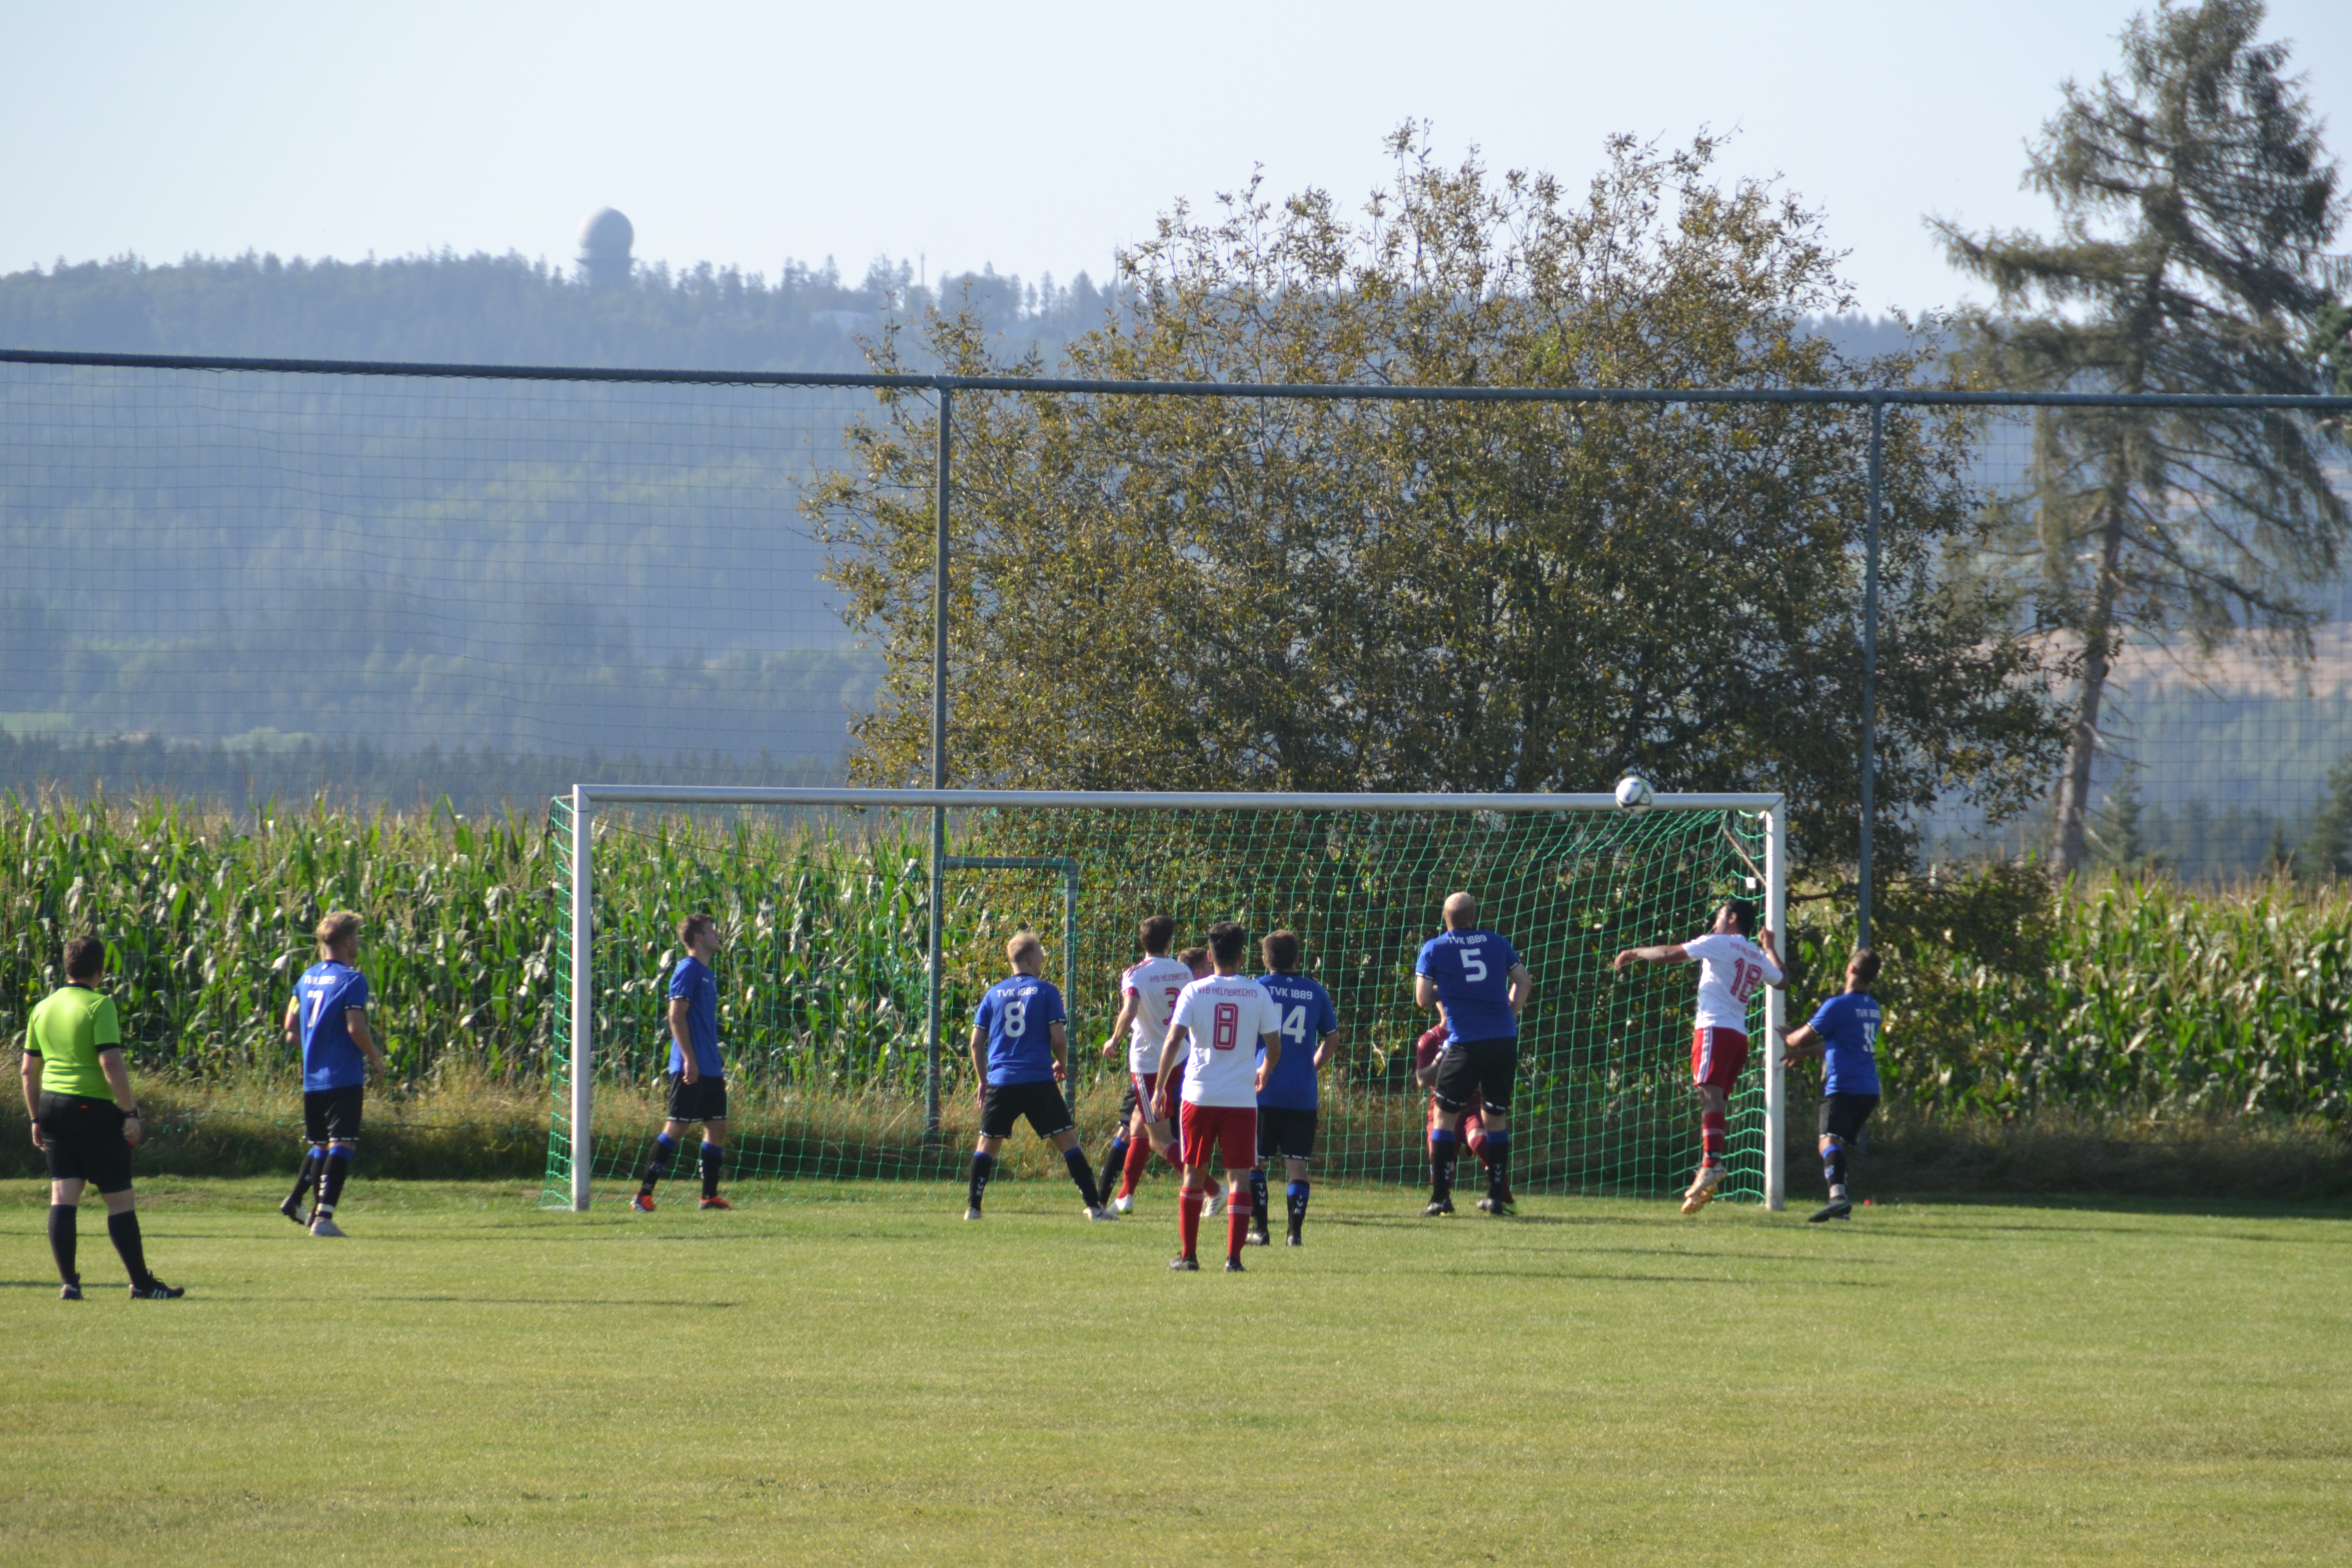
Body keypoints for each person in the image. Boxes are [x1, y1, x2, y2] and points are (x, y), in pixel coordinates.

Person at [23, 935, 182, 1299]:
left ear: (66, 966)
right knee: (120, 1199)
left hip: (52, 1105)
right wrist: (130, 1112)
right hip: (90, 1107)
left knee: (63, 1194)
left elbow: (28, 1070)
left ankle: (70, 1283)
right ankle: (142, 1284)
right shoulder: (99, 1006)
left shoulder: (43, 1007)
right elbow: (109, 1061)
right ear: (101, 969)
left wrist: (35, 1119)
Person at [1613, 899, 1787, 1215]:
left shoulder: (1719, 943)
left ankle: (1711, 1164)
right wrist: (1771, 947)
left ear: (1732, 918)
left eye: (1718, 917)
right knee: (1714, 1094)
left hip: (1714, 1029)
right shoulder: (1756, 954)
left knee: (1709, 1094)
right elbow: (1783, 980)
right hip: (1738, 1036)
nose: (1713, 924)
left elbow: (1670, 955)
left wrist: (1635, 952)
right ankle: (1710, 1165)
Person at [1155, 920, 1282, 1271]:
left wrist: (1160, 1087)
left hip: (1198, 1094)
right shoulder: (1257, 992)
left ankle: (1189, 1255)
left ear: (1209, 956)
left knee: (1194, 1174)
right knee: (1239, 1176)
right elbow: (1274, 1046)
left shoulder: (1195, 992)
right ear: (1242, 957)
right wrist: (1265, 1070)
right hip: (1240, 1099)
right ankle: (1234, 1260)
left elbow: (1173, 1041)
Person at [965, 932, 1112, 1222]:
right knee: (1068, 1143)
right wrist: (1061, 1063)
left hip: (1002, 1081)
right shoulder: (1046, 991)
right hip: (1037, 1080)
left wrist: (983, 1080)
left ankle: (974, 1209)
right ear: (1031, 959)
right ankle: (1094, 1208)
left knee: (987, 1146)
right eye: (1042, 955)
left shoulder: (993, 994)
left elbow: (975, 1043)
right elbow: (1058, 1038)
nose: (1044, 959)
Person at [1413, 893, 1534, 1217]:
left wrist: (1453, 988)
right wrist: (1510, 1011)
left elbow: (1423, 999)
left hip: (1466, 1041)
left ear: (1445, 918)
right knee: (1495, 1117)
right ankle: (1495, 1196)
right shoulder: (1497, 942)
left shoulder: (1435, 948)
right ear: (1473, 916)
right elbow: (1524, 981)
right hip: (1503, 1040)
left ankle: (1440, 1197)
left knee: (1443, 1117)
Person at [281, 910, 388, 1237]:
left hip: (313, 1079)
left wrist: (316, 1049)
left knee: (321, 1145)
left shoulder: (307, 978)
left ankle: (297, 1201)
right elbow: (356, 1028)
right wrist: (375, 1058)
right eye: (356, 937)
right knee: (343, 1144)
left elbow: (290, 1029)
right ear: (345, 941)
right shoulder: (351, 980)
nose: (358, 944)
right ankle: (323, 1218)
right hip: (342, 1076)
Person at [630, 913, 733, 1213]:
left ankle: (708, 1197)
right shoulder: (687, 969)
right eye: (712, 930)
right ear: (699, 938)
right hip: (690, 1065)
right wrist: (689, 1059)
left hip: (710, 1066)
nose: (717, 934)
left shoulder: (707, 973)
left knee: (717, 1125)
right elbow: (676, 1015)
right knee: (677, 1127)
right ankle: (644, 1195)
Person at [1095, 915, 1191, 1213]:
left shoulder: (1135, 974)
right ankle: (1125, 1196)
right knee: (1137, 1124)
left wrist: (1114, 1039)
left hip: (1150, 1064)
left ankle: (1212, 1190)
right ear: (1169, 942)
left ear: (1143, 941)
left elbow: (1130, 1009)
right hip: (1182, 1056)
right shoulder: (1183, 970)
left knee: (1160, 1139)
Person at [1250, 929, 1339, 1246]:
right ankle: (1295, 1234)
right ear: (1297, 958)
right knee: (1297, 1166)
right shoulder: (1315, 992)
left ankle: (1260, 1230)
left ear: (1264, 959)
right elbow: (1332, 1038)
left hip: (1264, 1087)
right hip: (1302, 1092)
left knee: (1254, 1161)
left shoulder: (1257, 988)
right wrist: (1312, 1066)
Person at [1780, 947, 1883, 1223]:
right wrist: (1801, 1055)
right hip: (1869, 1088)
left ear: (1850, 968)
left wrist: (1788, 1037)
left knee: (1827, 1141)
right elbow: (1837, 1042)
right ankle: (1839, 1200)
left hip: (1844, 1086)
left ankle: (1838, 1198)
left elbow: (1798, 1038)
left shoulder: (1837, 1006)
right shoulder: (1873, 1008)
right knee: (1835, 1142)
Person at [1411, 1008, 1501, 1209]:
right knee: (1442, 1162)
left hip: (1472, 1106)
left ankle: (1501, 1194)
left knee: (1479, 1140)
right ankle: (1442, 1199)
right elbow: (1422, 1080)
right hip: (1442, 1107)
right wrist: (1441, 1056)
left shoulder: (1474, 1034)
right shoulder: (1429, 1040)